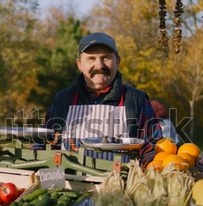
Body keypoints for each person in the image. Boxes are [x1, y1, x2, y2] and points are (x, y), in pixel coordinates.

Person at [45, 32, 162, 165]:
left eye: (106, 58)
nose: (99, 65)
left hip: (120, 183)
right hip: (68, 183)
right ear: (79, 64)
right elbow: (47, 143)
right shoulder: (63, 99)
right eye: (91, 58)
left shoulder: (135, 99)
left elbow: (152, 149)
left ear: (117, 61)